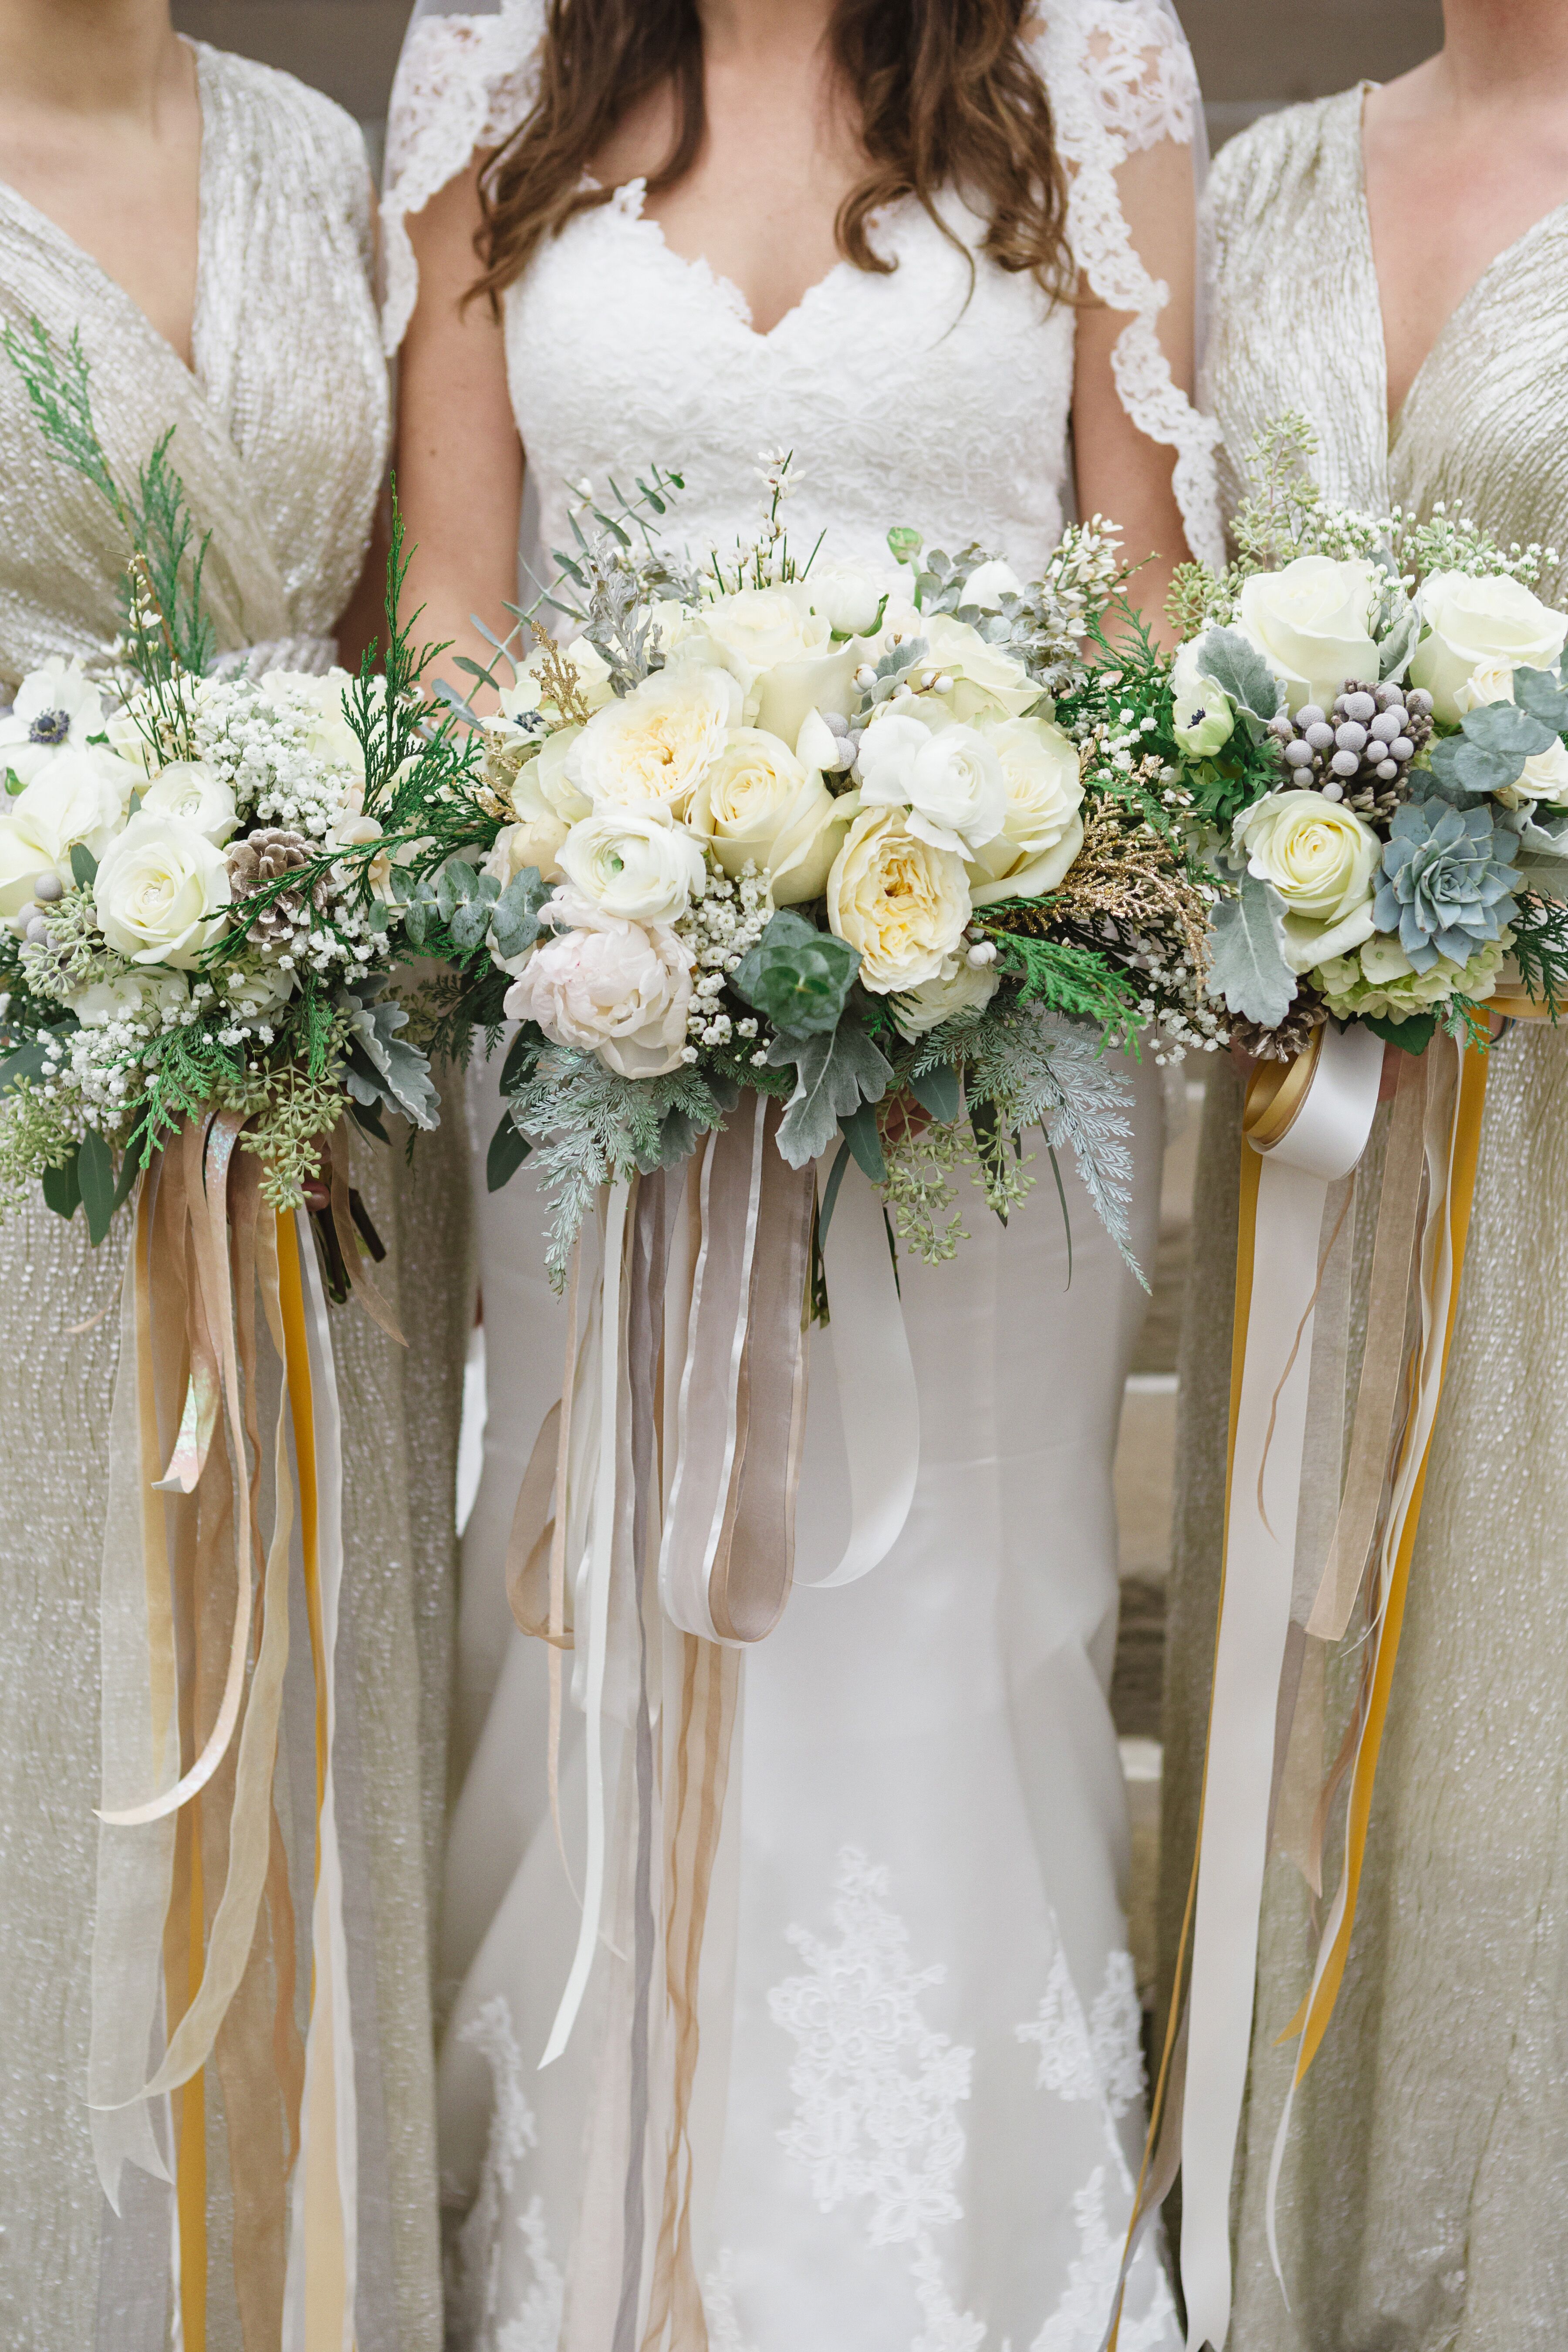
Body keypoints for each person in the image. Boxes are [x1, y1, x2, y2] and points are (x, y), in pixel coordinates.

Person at [388, 0, 1220, 2341]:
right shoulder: (490, 70)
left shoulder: (1088, 66)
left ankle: (956, 2254)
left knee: (939, 1640)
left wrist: (967, 865)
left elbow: (1135, 587)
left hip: (981, 1038)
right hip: (607, 1026)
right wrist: (607, 870)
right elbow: (457, 602)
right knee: (608, 1633)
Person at [0, 5, 472, 2344]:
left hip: (321, 1101)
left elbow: (405, 614)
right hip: (30, 1116)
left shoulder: (314, 148)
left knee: (311, 1681)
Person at [1159, 5, 1568, 2341]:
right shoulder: (1262, 186)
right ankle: (1278, 2250)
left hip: (1553, 1112)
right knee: (1305, 1689)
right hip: (1316, 1102)